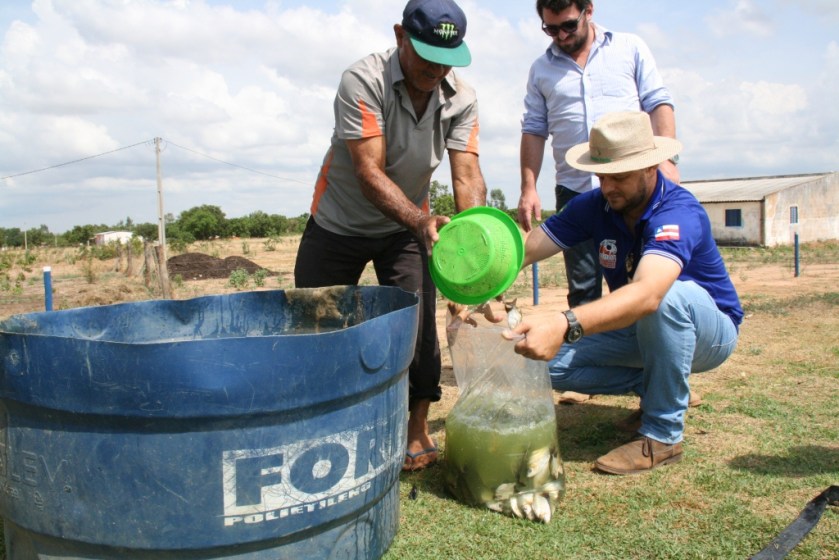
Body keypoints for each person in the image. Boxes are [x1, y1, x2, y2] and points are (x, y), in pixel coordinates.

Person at [294, 0, 487, 472]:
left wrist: (477, 253)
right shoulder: (362, 80)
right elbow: (368, 172)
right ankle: (318, 425)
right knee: (313, 325)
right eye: (425, 55)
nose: (436, 68)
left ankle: (415, 426)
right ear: (400, 35)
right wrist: (419, 220)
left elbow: (466, 177)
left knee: (417, 330)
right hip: (337, 223)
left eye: (447, 58)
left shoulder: (461, 97)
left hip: (406, 229)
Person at [505, 112, 743, 475]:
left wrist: (564, 322)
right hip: (641, 326)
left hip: (708, 333)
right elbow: (526, 249)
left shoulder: (678, 211)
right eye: (601, 176)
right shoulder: (595, 205)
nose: (608, 187)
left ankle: (662, 435)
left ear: (650, 168)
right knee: (536, 364)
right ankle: (662, 388)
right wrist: (481, 284)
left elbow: (648, 294)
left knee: (667, 297)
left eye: (619, 177)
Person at [517, 0, 679, 310]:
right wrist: (528, 186)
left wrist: (666, 160)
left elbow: (658, 102)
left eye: (568, 26)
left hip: (635, 187)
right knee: (582, 288)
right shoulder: (540, 70)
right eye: (551, 29)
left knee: (642, 280)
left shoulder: (630, 48)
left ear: (588, 10)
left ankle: (638, 352)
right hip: (575, 190)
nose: (561, 36)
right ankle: (587, 356)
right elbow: (534, 129)